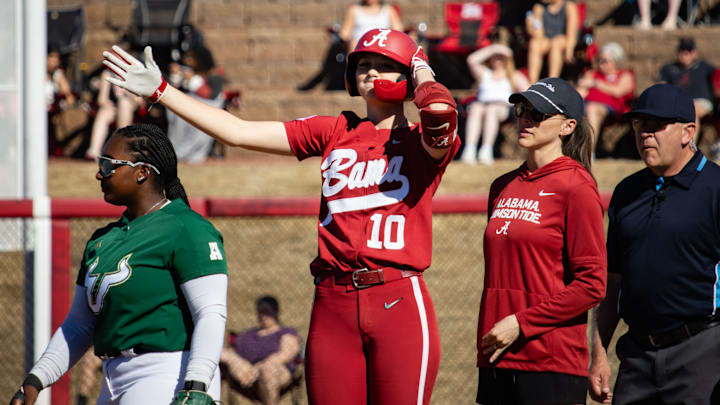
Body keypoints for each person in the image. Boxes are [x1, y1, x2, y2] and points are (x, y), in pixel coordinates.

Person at [102, 27, 459, 405]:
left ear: (408, 74)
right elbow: (236, 131)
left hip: (397, 298)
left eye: (385, 66)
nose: (370, 72)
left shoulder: (422, 140)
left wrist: (423, 71)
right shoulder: (337, 129)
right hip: (332, 300)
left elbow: (439, 110)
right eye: (364, 65)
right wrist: (163, 92)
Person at [9, 124, 229, 405]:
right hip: (112, 378)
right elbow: (79, 325)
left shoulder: (186, 227)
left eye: (108, 164)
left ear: (142, 172)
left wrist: (197, 384)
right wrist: (36, 380)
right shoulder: (103, 239)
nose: (99, 173)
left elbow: (210, 312)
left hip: (168, 375)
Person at [476, 77, 607, 405]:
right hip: (497, 354)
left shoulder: (576, 187)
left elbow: (592, 285)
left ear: (567, 127)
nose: (524, 118)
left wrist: (521, 324)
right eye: (522, 109)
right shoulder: (502, 185)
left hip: (551, 361)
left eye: (538, 114)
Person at [588, 84, 720, 404]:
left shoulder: (715, 187)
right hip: (637, 356)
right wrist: (599, 353)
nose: (645, 134)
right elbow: (613, 281)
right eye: (639, 125)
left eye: (656, 125)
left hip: (701, 351)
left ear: (688, 132)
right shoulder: (627, 192)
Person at [220, 295, 301, 405]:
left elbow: (287, 353)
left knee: (267, 370)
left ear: (276, 312)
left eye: (267, 312)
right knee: (220, 354)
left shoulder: (285, 332)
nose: (263, 316)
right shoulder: (247, 335)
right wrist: (239, 363)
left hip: (277, 371)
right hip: (244, 373)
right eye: (260, 312)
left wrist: (259, 368)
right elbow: (230, 352)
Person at [462, 43, 530, 165]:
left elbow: (529, 92)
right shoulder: (485, 74)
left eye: (501, 57)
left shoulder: (513, 75)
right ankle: (470, 149)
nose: (498, 60)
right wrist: (493, 49)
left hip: (503, 108)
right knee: (476, 108)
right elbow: (471, 60)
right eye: (495, 57)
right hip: (482, 105)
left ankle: (486, 150)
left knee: (491, 109)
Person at [166, 44, 225, 163]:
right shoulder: (184, 71)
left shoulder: (214, 74)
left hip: (206, 109)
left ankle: (191, 153)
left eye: (192, 58)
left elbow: (210, 95)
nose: (188, 61)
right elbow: (173, 94)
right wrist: (176, 77)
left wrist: (193, 80)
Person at [577, 42, 635, 153]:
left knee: (592, 109)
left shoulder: (625, 75)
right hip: (587, 106)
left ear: (616, 60)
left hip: (613, 109)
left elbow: (618, 91)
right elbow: (580, 92)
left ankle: (588, 152)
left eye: (604, 60)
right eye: (599, 59)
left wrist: (596, 83)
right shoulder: (592, 73)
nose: (600, 63)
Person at [659, 37, 716, 139]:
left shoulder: (704, 67)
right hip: (677, 103)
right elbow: (661, 87)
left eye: (688, 51)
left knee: (690, 110)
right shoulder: (669, 68)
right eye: (682, 51)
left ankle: (690, 148)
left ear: (694, 53)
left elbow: (717, 77)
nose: (685, 54)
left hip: (700, 103)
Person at [85, 69, 144, 161]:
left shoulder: (133, 71)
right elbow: (101, 99)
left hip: (129, 108)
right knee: (103, 112)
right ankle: (94, 150)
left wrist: (126, 91)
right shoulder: (107, 73)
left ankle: (121, 148)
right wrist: (106, 104)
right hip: (113, 109)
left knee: (123, 103)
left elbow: (139, 101)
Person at [525, 0, 579, 84]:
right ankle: (531, 83)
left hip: (563, 40)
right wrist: (534, 21)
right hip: (546, 40)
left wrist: (569, 50)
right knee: (534, 43)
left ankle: (552, 81)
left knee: (556, 42)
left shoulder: (569, 6)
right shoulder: (539, 7)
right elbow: (538, 34)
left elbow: (572, 33)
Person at [338, 0, 403, 53]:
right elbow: (344, 34)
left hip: (382, 44)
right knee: (354, 44)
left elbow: (398, 31)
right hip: (360, 45)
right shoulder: (354, 10)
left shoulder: (388, 10)